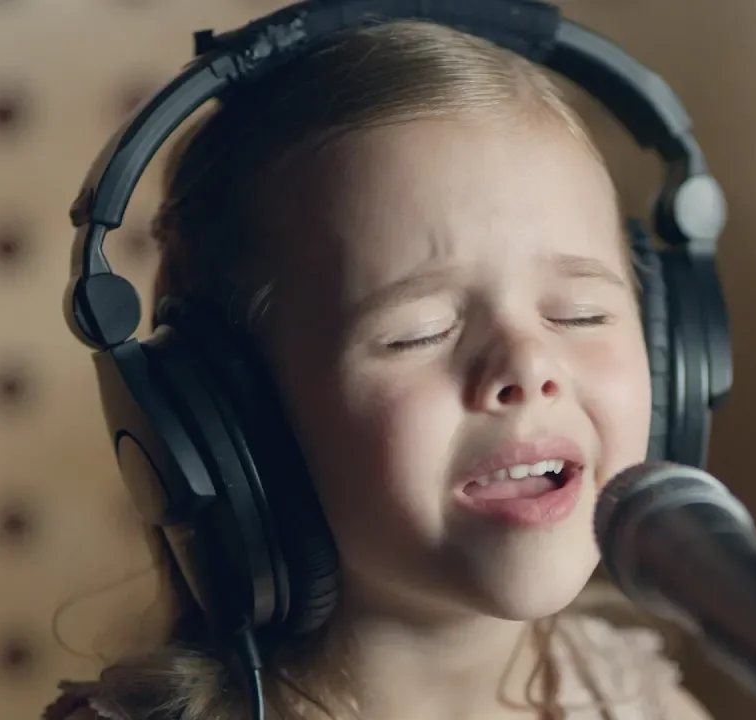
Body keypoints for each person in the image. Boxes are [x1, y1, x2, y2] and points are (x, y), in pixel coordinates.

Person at [44, 18, 713, 720]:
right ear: (238, 422)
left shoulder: (641, 702)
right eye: (418, 333)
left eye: (580, 313)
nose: (528, 365)